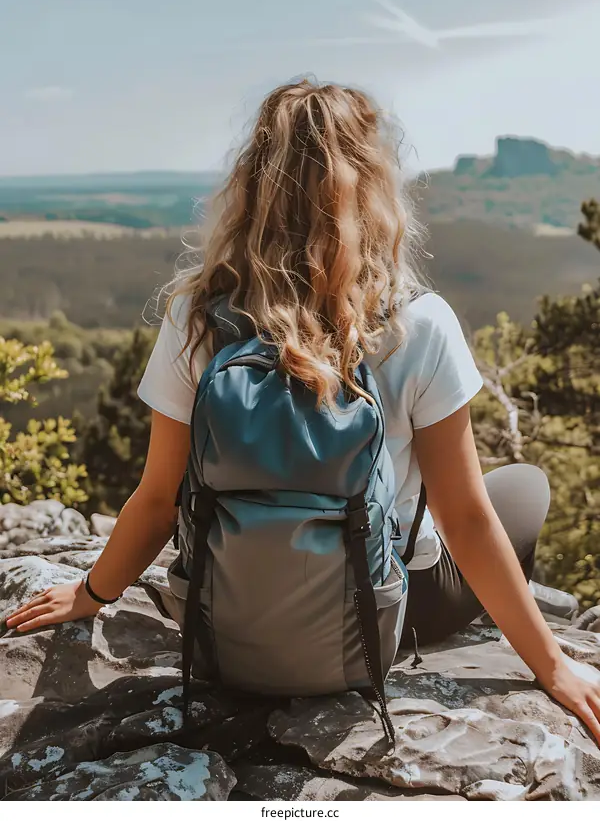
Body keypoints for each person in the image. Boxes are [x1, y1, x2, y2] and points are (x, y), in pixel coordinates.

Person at [6, 79, 600, 744]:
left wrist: (91, 596)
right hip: (377, 623)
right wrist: (553, 667)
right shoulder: (418, 324)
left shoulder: (197, 315)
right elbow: (464, 519)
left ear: (254, 187)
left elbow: (154, 500)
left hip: (224, 620)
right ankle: (522, 629)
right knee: (522, 488)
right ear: (373, 188)